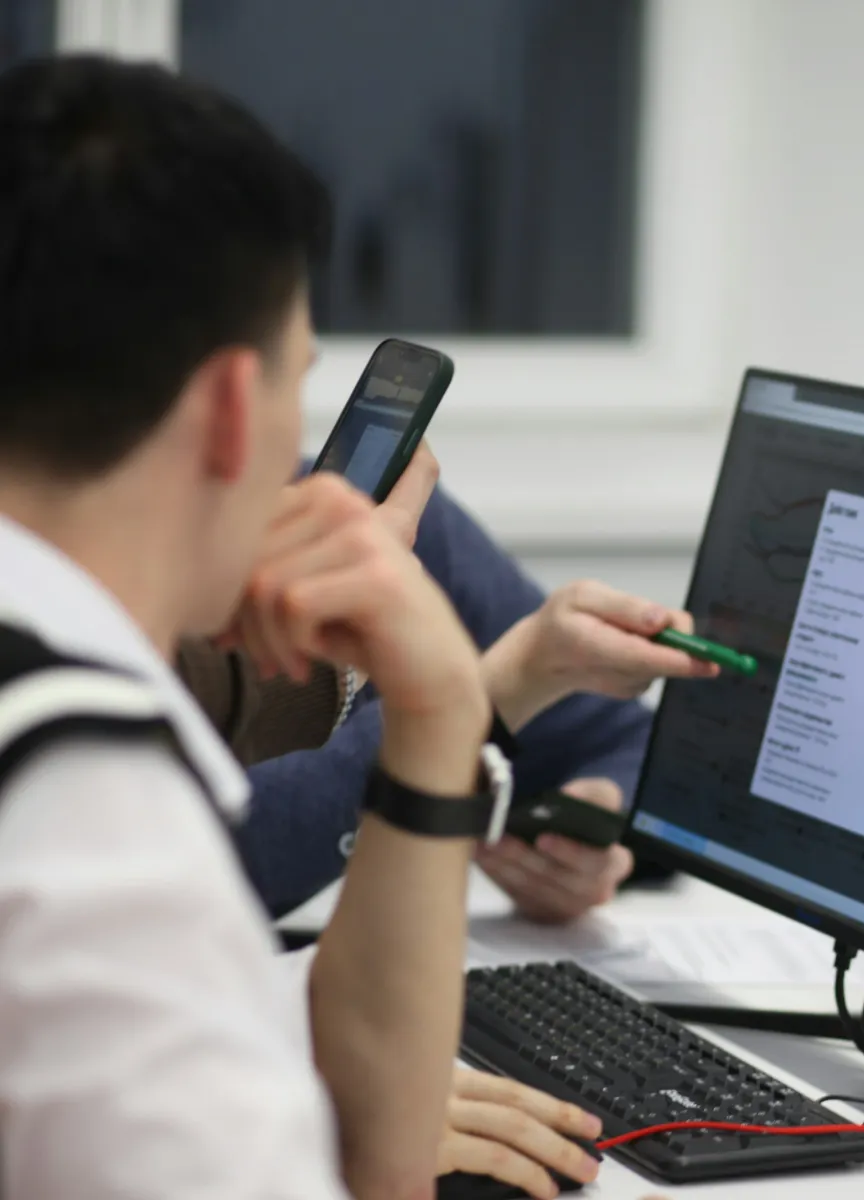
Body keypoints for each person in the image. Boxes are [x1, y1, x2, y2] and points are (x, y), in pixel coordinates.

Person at [0, 55, 690, 1198]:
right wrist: (445, 710)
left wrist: (442, 717)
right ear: (233, 408)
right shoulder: (91, 815)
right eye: (297, 379)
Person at [178, 442, 673, 923]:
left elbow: (629, 743)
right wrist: (482, 697)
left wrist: (589, 837)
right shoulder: (143, 616)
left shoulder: (400, 527)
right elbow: (201, 855)